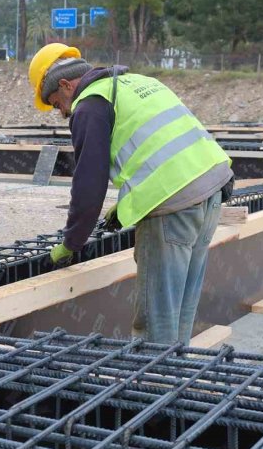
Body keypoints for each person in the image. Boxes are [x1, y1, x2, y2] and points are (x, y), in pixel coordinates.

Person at [28, 43, 234, 345]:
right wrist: (124, 205)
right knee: (182, 308)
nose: (60, 112)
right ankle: (174, 379)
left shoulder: (88, 106)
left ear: (65, 84)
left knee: (157, 319)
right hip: (213, 191)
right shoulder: (140, 83)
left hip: (173, 207)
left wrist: (72, 242)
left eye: (56, 103)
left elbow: (88, 186)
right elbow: (161, 148)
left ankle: (153, 387)